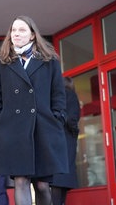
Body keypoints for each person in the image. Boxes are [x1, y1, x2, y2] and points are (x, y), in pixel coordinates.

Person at [0, 15, 68, 205]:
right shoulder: (3, 62)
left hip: (43, 128)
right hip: (13, 130)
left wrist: (58, 117)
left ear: (32, 35)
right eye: (13, 30)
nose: (16, 33)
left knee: (41, 185)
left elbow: (58, 94)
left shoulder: (49, 60)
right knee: (21, 181)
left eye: (21, 30)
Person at [50, 77, 81, 205]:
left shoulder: (53, 97)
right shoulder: (71, 96)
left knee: (56, 180)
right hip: (66, 140)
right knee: (62, 180)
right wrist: (75, 132)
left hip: (54, 141)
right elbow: (72, 119)